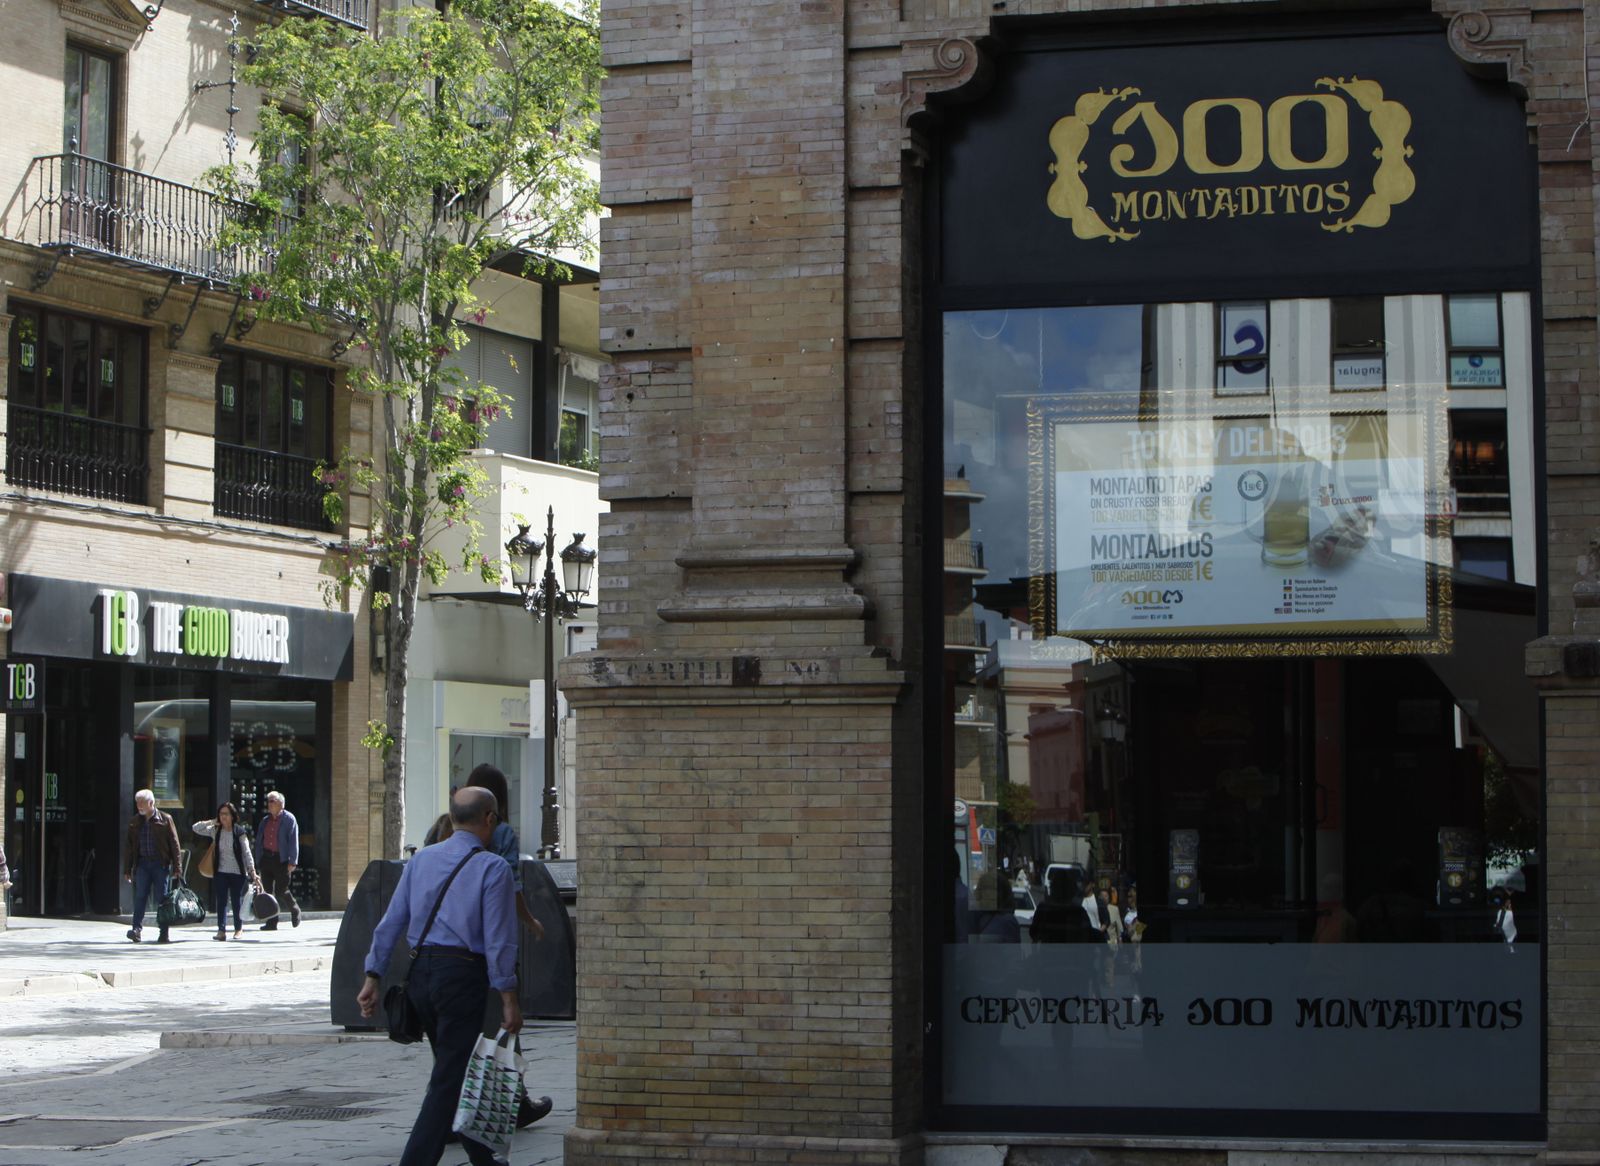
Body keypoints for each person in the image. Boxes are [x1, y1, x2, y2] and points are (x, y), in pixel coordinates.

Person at [357, 787, 523, 1166]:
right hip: (461, 977)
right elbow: (499, 941)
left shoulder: (420, 862)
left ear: (451, 818)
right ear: (489, 819)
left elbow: (390, 922)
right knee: (449, 1078)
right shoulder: (493, 868)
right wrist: (509, 999)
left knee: (454, 1066)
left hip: (420, 975)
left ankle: (482, 1157)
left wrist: (373, 974)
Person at [460, 765, 552, 1132]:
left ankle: (455, 1108)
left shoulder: (443, 830)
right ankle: (517, 1101)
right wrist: (530, 920)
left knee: (461, 1033)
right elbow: (511, 884)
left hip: (450, 943)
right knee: (505, 1022)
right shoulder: (502, 833)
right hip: (491, 939)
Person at [194, 803, 260, 941]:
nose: (223, 817)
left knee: (237, 901)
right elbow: (196, 828)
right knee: (222, 901)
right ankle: (221, 930)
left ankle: (238, 929)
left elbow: (247, 852)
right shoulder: (215, 830)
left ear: (232, 816)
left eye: (226, 814)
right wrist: (212, 821)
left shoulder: (239, 832)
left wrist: (252, 871)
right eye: (221, 814)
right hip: (220, 872)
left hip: (237, 872)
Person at [123, 789, 182, 944]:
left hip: (160, 864)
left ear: (151, 802)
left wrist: (177, 867)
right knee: (140, 897)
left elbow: (174, 844)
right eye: (137, 802)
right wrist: (127, 869)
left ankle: (164, 932)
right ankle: (136, 930)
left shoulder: (165, 819)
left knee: (162, 898)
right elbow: (129, 847)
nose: (139, 806)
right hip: (142, 864)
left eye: (142, 802)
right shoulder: (135, 822)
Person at [254, 791, 301, 930]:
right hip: (267, 858)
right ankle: (272, 922)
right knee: (268, 892)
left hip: (281, 860)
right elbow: (259, 841)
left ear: (280, 803)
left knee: (282, 889)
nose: (269, 804)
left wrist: (293, 861)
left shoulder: (289, 819)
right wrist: (258, 859)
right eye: (268, 801)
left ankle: (294, 909)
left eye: (272, 801)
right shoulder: (265, 820)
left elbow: (293, 841)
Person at [1031, 869, 1107, 945]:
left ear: (1052, 888)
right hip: (1073, 955)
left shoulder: (1043, 909)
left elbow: (1033, 933)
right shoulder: (1078, 912)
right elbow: (1089, 934)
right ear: (1072, 891)